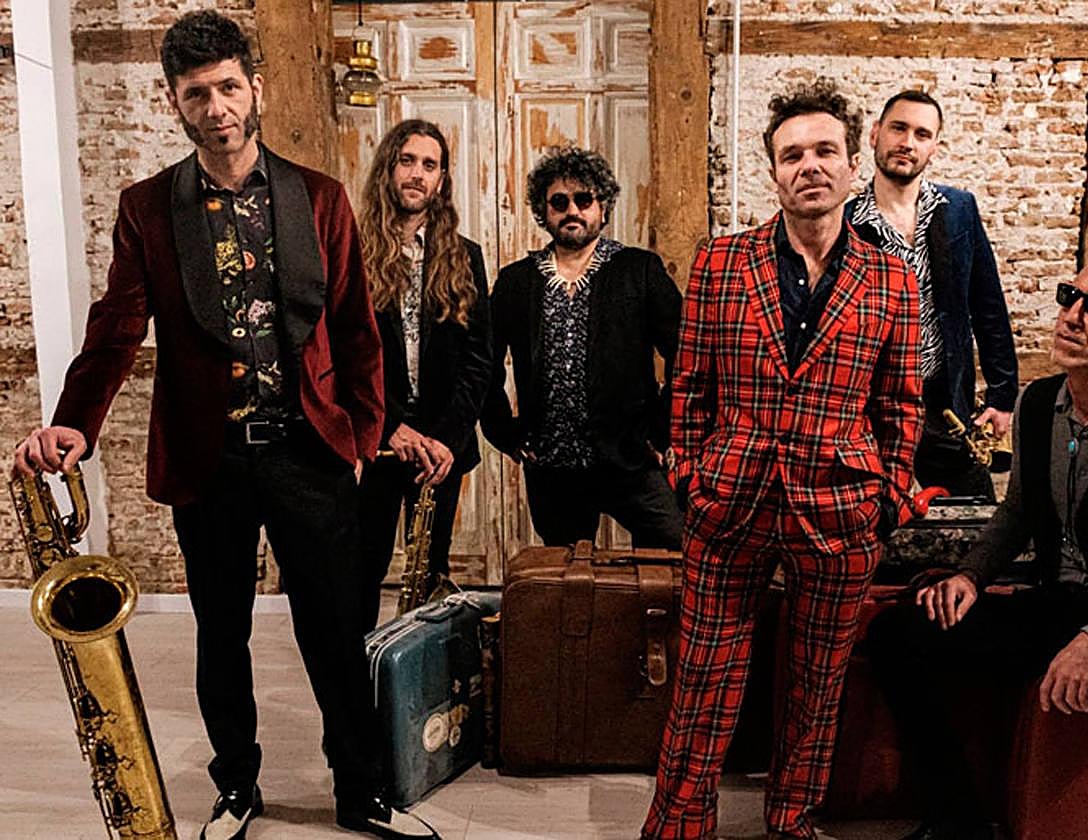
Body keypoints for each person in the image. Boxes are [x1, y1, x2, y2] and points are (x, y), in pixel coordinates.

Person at [11, 12, 438, 840]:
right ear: (174, 103)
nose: (217, 108)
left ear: (256, 88)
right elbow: (115, 328)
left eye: (229, 88)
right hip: (209, 463)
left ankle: (360, 791)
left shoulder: (320, 197)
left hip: (312, 454)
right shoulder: (147, 208)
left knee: (334, 634)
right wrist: (74, 426)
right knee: (222, 637)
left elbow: (358, 329)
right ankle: (237, 788)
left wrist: (360, 437)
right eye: (197, 94)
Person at [642, 78, 923, 840]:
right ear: (773, 172)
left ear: (854, 164)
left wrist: (887, 498)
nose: (810, 166)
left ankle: (791, 821)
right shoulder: (720, 262)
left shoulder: (892, 279)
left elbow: (901, 404)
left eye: (825, 150)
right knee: (702, 679)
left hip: (841, 510)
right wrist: (690, 477)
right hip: (728, 502)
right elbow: (688, 387)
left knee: (816, 686)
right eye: (792, 154)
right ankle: (678, 824)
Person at [867, 248, 1088, 840]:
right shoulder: (1037, 403)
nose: (1072, 316)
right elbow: (1018, 511)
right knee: (900, 634)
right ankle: (958, 820)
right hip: (1064, 600)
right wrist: (969, 575)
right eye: (1070, 297)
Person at [480, 146, 683, 549]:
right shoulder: (517, 281)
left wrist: (661, 431)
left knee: (671, 551)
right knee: (567, 578)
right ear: (544, 211)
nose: (572, 210)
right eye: (559, 202)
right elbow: (485, 362)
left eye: (584, 199)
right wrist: (506, 432)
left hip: (631, 459)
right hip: (553, 468)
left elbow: (686, 352)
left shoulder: (638, 270)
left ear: (603, 208)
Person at [846, 90, 1018, 499]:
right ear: (875, 134)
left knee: (974, 507)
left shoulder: (959, 209)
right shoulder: (846, 223)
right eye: (898, 128)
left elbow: (988, 305)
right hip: (873, 407)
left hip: (944, 401)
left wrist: (1002, 396)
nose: (908, 142)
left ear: (934, 147)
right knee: (874, 513)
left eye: (921, 134)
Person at [356, 119, 491, 630]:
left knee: (428, 572)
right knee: (361, 567)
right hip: (376, 439)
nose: (417, 174)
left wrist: (445, 440)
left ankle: (416, 670)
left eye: (429, 165)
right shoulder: (352, 250)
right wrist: (389, 425)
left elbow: (479, 358)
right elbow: (343, 355)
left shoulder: (465, 256)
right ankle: (359, 671)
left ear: (441, 180)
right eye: (407, 161)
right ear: (388, 169)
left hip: (439, 446)